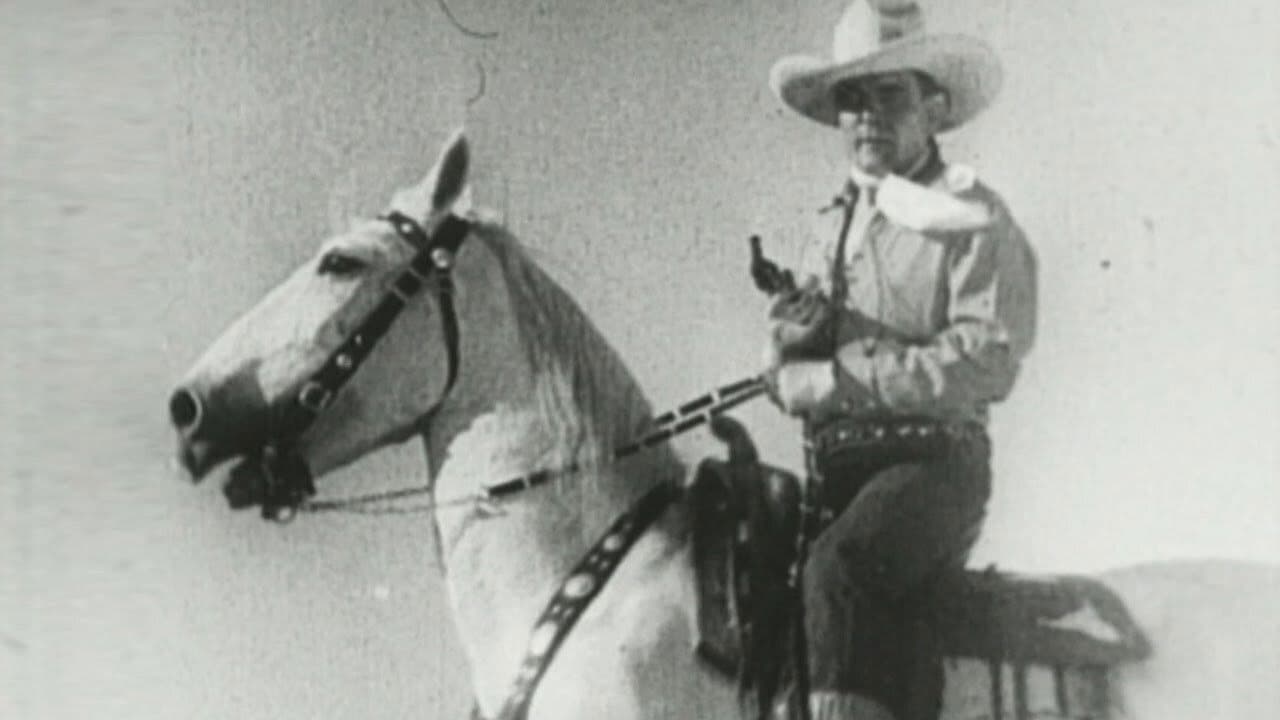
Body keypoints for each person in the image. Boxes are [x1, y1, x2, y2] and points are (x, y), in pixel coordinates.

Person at [760, 2, 1037, 719]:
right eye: (853, 98)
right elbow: (797, 376)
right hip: (839, 474)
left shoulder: (975, 219)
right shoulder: (828, 227)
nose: (868, 116)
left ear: (934, 109)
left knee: (840, 571)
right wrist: (785, 349)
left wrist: (839, 378)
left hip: (934, 466)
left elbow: (988, 357)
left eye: (891, 95)